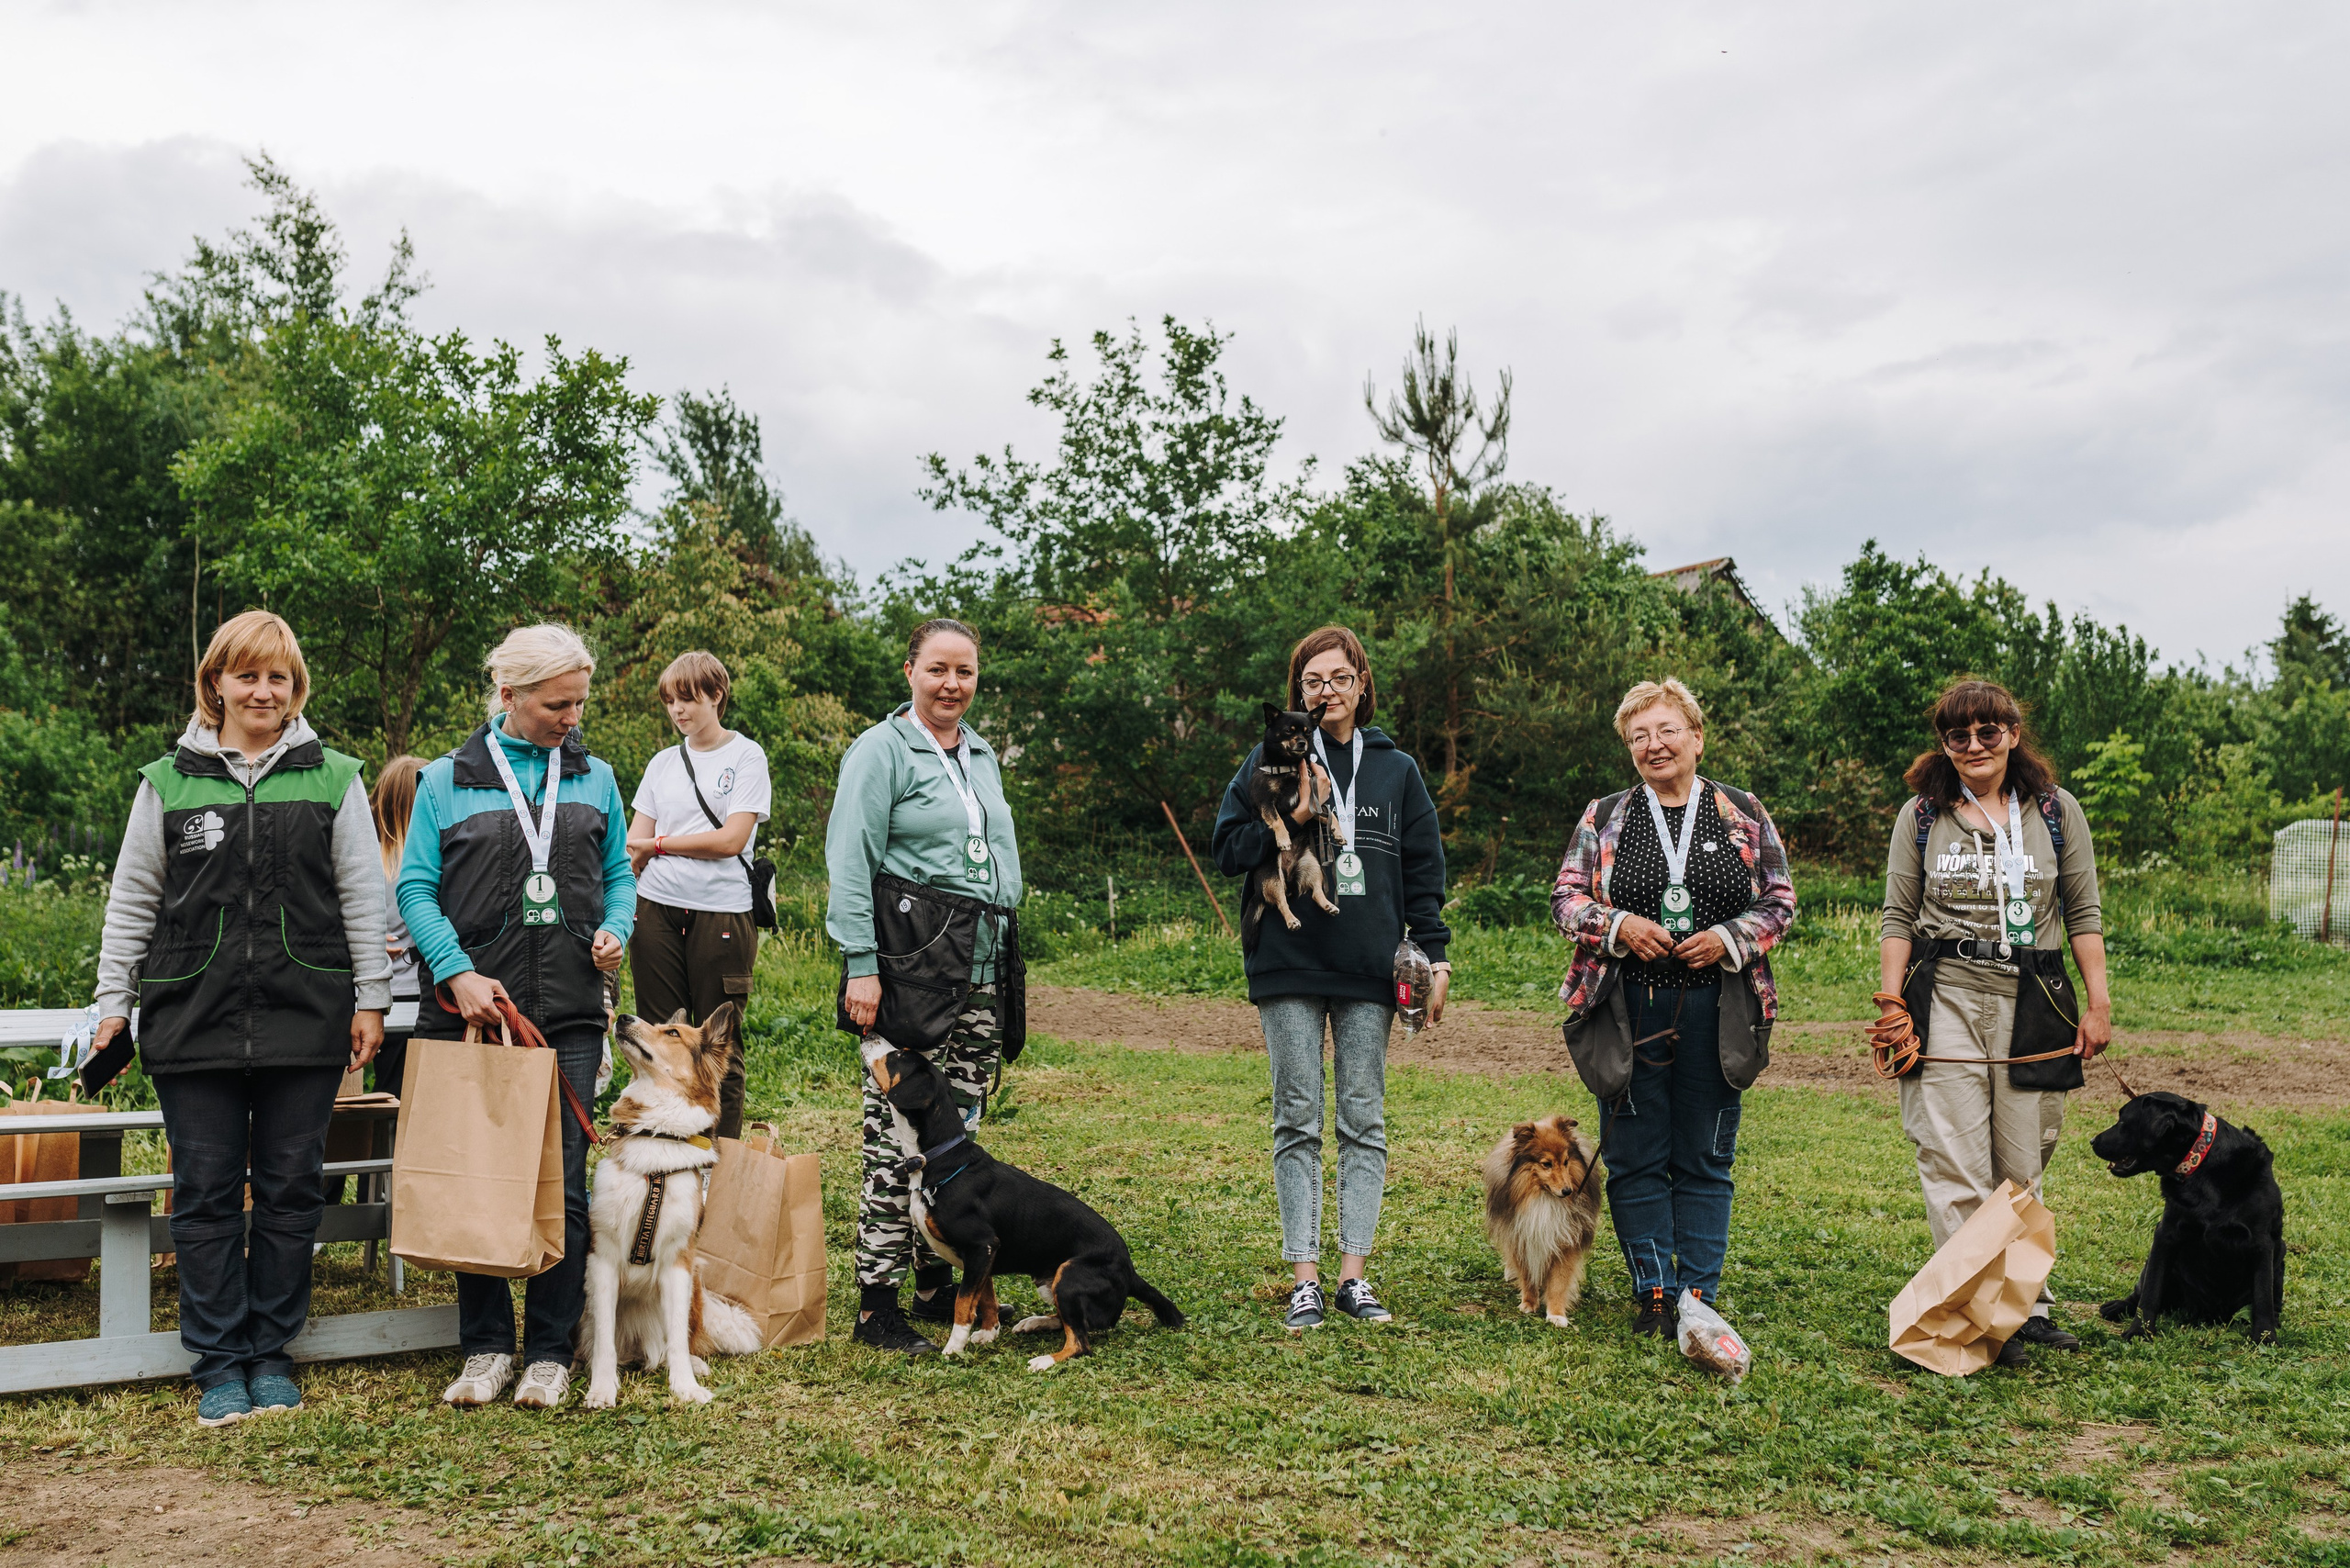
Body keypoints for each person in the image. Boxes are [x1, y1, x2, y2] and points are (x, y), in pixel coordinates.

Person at [87, 610, 390, 1428]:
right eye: (248, 676)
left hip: (307, 1013)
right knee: (207, 1195)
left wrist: (373, 997)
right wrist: (114, 1006)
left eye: (279, 679)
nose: (264, 691)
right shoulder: (166, 781)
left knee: (292, 1192)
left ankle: (270, 1352)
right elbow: (131, 903)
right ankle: (219, 1361)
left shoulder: (335, 777)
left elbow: (366, 897)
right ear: (214, 682)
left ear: (296, 692)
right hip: (193, 1015)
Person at [397, 624, 635, 1410]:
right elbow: (415, 891)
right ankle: (485, 1348)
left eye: (579, 703)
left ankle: (548, 1351)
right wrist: (457, 971)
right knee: (480, 1180)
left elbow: (620, 876)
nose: (572, 717)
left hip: (566, 1014)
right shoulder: (445, 780)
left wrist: (616, 931)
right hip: (475, 1014)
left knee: (562, 1187)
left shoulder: (596, 777)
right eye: (556, 704)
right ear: (509, 696)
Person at [1210, 625, 1451, 1331]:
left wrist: (1433, 955)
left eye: (1340, 678)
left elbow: (1423, 872)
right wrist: (1292, 816)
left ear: (1361, 684)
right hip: (1287, 961)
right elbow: (1227, 845)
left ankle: (1354, 1275)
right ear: (1300, 694)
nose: (1328, 691)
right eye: (1314, 681)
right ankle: (1305, 1277)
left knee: (1363, 1117)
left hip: (1371, 963)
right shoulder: (1268, 763)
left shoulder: (1395, 769)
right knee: (1297, 1116)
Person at [1875, 677, 2111, 1366]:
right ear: (1944, 744)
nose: (1974, 745)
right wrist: (1893, 1007)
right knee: (1953, 1159)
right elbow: (1897, 916)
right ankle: (1979, 1318)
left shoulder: (2055, 812)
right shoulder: (1923, 815)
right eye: (1958, 735)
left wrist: (2098, 1005)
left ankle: (2025, 1307)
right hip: (1944, 990)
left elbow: (2083, 914)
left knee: (2022, 1160)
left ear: (2012, 733)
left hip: (2036, 996)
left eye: (1988, 731)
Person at [1551, 678, 1795, 1342]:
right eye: (1639, 737)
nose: (1653, 745)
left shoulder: (1742, 812)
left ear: (1696, 737)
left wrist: (1728, 938)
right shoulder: (1605, 816)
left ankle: (1699, 1296)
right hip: (1627, 1007)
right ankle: (1654, 1291)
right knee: (1633, 1156)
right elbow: (1566, 898)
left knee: (1705, 1157)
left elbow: (1780, 901)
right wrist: (1618, 925)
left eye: (1665, 731)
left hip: (1719, 1009)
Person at [826, 618, 1023, 1356]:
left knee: (958, 1141)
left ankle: (935, 1283)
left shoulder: (980, 752)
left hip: (979, 970)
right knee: (896, 1140)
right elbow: (851, 860)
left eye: (965, 672)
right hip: (909, 968)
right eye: (938, 669)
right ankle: (877, 1303)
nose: (952, 685)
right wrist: (861, 963)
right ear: (910, 671)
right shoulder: (882, 750)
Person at [625, 651, 771, 1139]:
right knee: (655, 1042)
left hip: (722, 914)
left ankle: (719, 1169)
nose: (678, 710)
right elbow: (634, 844)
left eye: (687, 698)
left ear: (716, 695)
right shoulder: (663, 763)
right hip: (656, 911)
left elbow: (731, 840)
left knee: (717, 1048)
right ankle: (661, 1165)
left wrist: (661, 845)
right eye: (670, 701)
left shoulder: (746, 756)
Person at [369, 755, 424, 1095]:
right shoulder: (431, 864)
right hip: (429, 998)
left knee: (391, 1092)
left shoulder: (367, 862)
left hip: (384, 998)